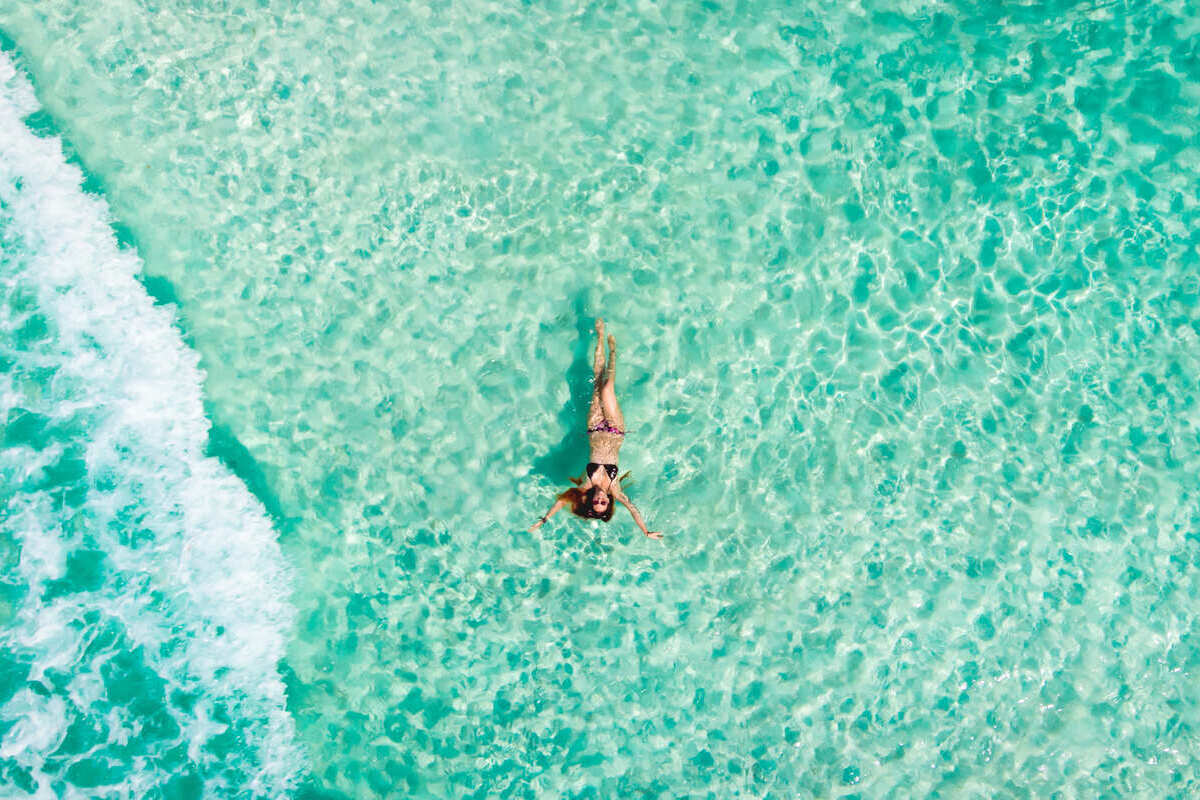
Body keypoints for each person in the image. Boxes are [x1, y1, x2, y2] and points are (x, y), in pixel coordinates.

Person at [529, 319, 663, 539]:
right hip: (616, 430)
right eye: (604, 503)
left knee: (597, 381)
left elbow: (563, 500)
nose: (601, 499)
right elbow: (632, 509)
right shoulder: (615, 490)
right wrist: (645, 531)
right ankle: (613, 351)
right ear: (608, 502)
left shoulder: (585, 484)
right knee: (608, 388)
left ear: (591, 499)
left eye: (597, 502)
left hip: (594, 427)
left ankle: (600, 338)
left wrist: (545, 519)